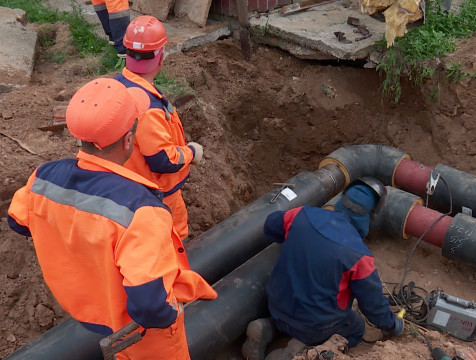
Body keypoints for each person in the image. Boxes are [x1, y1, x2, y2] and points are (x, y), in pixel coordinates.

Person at [7, 78, 217, 360]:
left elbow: (18, 222)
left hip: (88, 309)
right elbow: (150, 307)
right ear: (129, 140)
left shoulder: (44, 176)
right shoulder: (142, 210)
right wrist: (172, 311)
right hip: (141, 337)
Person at [242, 178, 404, 360]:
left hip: (276, 305)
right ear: (370, 217)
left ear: (341, 201)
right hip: (314, 327)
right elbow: (374, 308)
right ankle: (299, 350)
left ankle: (268, 328)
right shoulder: (359, 256)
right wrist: (394, 325)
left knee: (295, 312)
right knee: (356, 328)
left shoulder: (302, 214)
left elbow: (271, 225)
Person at [114, 15, 202, 243]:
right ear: (160, 57)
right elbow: (163, 160)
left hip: (128, 187)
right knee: (173, 242)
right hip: (157, 193)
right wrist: (191, 152)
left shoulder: (117, 86)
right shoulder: (149, 109)